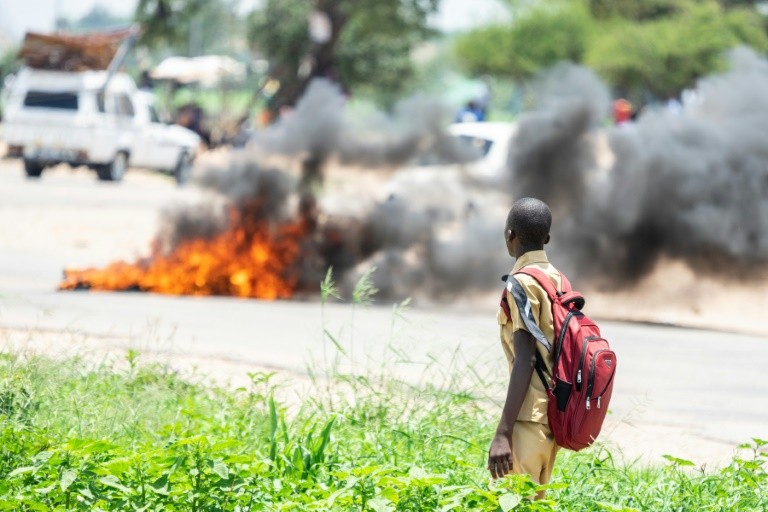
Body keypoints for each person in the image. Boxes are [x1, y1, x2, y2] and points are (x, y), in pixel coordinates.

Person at [488, 197, 561, 498]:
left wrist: (504, 433)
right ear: (547, 238)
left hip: (528, 420)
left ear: (509, 235)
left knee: (509, 502)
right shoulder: (557, 279)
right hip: (552, 419)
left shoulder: (522, 283)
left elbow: (525, 359)